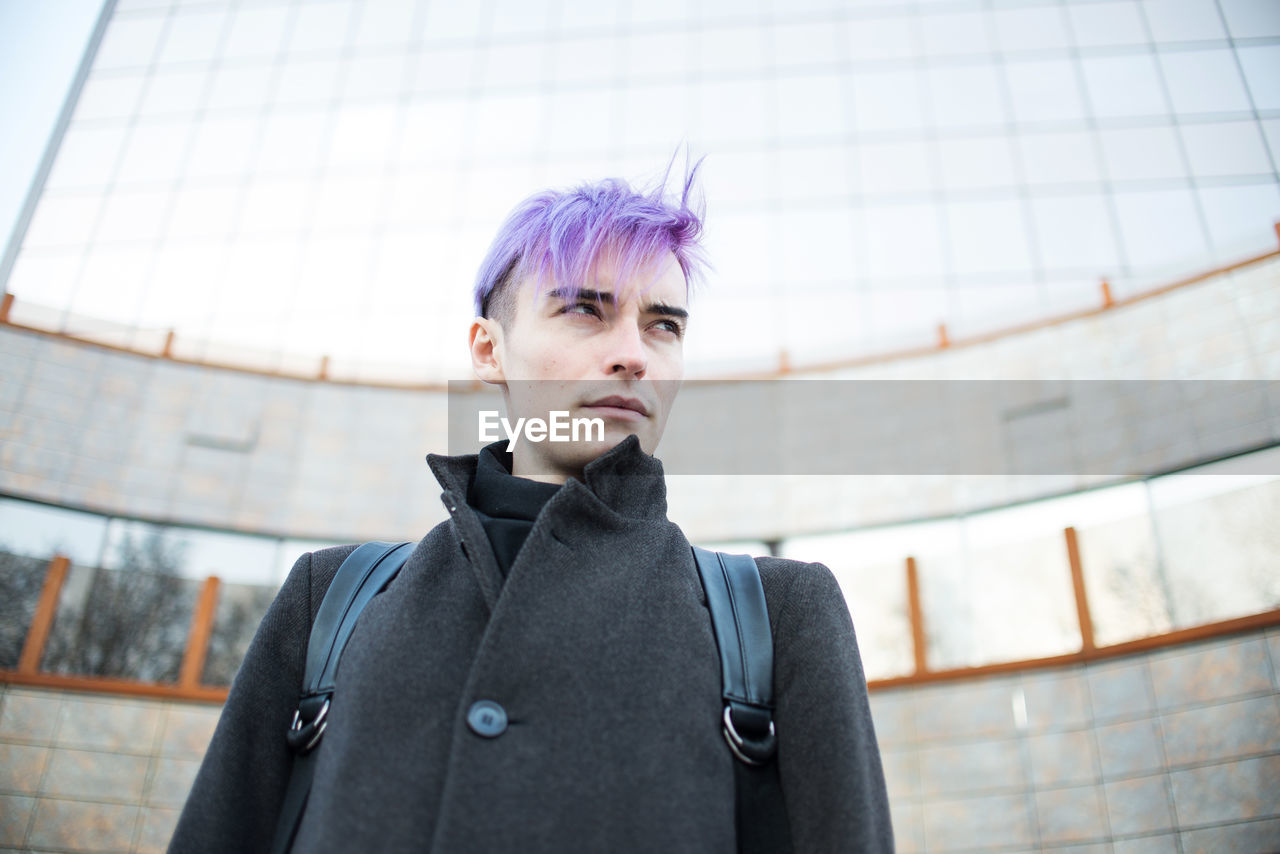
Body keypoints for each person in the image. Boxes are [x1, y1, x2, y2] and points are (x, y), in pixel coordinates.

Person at [169, 161, 894, 853]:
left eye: (663, 325)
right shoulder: (330, 599)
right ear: (489, 350)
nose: (633, 354)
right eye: (586, 310)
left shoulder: (780, 615)